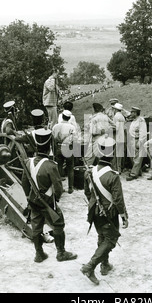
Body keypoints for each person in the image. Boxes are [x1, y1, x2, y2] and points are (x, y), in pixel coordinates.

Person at [21, 128, 77, 263]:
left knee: (36, 226)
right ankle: (61, 253)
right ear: (48, 148)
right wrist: (54, 200)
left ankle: (39, 254)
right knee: (58, 224)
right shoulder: (51, 165)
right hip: (48, 202)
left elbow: (24, 183)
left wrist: (30, 197)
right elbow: (58, 188)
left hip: (33, 201)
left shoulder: (28, 162)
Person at [81, 135, 128, 285]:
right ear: (112, 154)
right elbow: (118, 200)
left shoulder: (89, 171)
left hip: (94, 211)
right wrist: (124, 216)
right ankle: (90, 266)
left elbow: (87, 193)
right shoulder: (113, 176)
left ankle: (105, 265)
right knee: (111, 239)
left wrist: (94, 203)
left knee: (102, 236)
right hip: (109, 212)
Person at [52, 110, 77, 194]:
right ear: (69, 118)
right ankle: (70, 188)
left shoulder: (55, 126)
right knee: (70, 168)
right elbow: (75, 140)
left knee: (59, 167)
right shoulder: (72, 127)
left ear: (62, 116)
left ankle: (60, 188)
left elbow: (53, 139)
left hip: (58, 147)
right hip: (68, 147)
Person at [126, 107, 147, 181]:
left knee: (137, 158)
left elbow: (143, 133)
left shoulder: (141, 120)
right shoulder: (134, 120)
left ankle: (134, 174)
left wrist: (140, 142)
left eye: (132, 112)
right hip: (132, 140)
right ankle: (138, 171)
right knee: (133, 157)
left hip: (138, 140)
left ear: (135, 113)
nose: (131, 113)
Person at [112, 103, 126, 174]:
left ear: (116, 109)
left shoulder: (116, 116)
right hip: (122, 137)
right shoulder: (122, 117)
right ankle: (120, 168)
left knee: (116, 154)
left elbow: (115, 128)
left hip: (117, 137)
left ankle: (117, 169)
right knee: (120, 153)